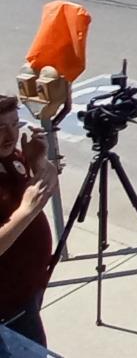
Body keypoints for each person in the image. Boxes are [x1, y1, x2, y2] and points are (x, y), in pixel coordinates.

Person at [0, 95, 57, 347]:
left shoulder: (11, 156)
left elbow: (48, 186)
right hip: (8, 305)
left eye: (15, 124)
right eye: (0, 128)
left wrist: (39, 162)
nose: (10, 135)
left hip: (30, 286)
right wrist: (25, 212)